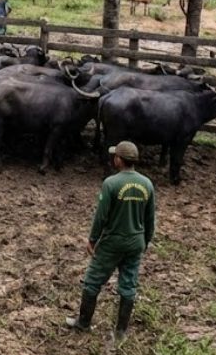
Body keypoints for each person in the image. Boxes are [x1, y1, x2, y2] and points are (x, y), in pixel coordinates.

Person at [65, 141, 156, 340]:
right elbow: (150, 218)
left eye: (115, 156)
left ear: (119, 160)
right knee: (129, 285)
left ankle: (83, 323)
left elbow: (101, 216)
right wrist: (145, 241)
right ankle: (121, 331)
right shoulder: (147, 184)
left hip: (112, 242)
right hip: (136, 242)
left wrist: (92, 239)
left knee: (92, 281)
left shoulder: (111, 183)